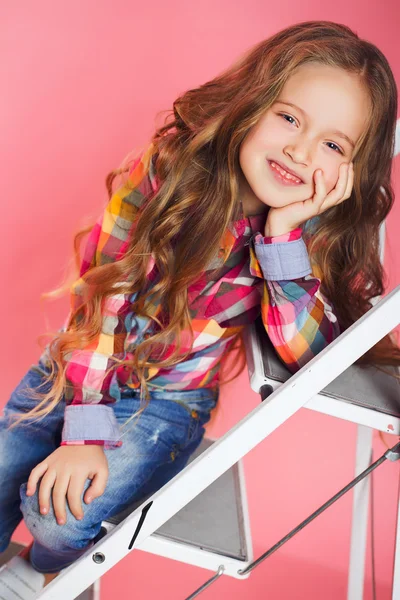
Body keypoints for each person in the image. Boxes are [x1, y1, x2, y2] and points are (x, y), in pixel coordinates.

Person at [1, 19, 399, 598]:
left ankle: (36, 570)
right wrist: (83, 427)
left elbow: (307, 357)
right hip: (85, 362)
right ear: (252, 104)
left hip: (167, 402)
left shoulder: (311, 238)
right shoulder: (167, 171)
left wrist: (283, 234)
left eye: (332, 145)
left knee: (56, 513)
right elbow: (102, 299)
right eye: (289, 117)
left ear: (348, 173)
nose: (299, 149)